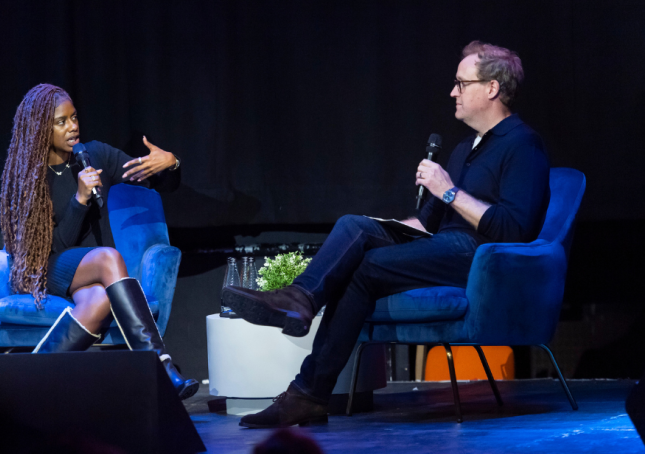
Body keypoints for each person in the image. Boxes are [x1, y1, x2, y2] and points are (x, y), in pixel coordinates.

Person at [222, 40, 550, 427]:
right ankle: (300, 300)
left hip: (480, 256)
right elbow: (426, 224)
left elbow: (514, 228)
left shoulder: (522, 144)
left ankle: (308, 393)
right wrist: (378, 229)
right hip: (442, 243)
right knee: (352, 226)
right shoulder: (464, 148)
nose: (453, 92)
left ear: (491, 88)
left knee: (366, 269)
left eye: (461, 83)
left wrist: (447, 189)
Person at [0, 83, 198, 399]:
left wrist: (170, 164)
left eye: (74, 117)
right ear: (40, 128)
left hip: (91, 268)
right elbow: (61, 248)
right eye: (61, 121)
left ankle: (30, 382)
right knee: (108, 257)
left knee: (99, 300)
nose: (73, 126)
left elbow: (155, 179)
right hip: (49, 268)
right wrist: (79, 199)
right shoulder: (30, 177)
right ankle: (160, 365)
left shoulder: (93, 155)